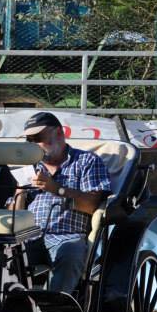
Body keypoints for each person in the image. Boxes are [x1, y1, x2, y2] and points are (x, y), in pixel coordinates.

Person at [18, 111, 111, 294]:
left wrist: (58, 189)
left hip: (67, 235)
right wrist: (18, 194)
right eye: (30, 140)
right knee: (2, 257)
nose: (33, 144)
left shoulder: (86, 161)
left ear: (59, 133)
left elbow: (93, 205)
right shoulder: (27, 166)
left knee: (70, 253)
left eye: (38, 138)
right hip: (28, 235)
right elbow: (11, 212)